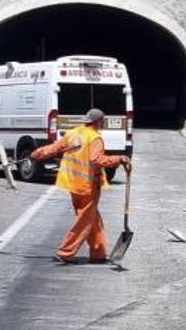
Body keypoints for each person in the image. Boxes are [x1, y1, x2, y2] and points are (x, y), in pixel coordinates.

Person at [31, 108, 131, 263]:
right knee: (84, 221)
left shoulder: (73, 133)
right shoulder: (95, 138)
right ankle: (65, 252)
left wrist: (38, 153)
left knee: (92, 218)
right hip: (87, 186)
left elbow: (55, 148)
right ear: (99, 121)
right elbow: (96, 160)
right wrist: (119, 159)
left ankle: (98, 253)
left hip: (72, 183)